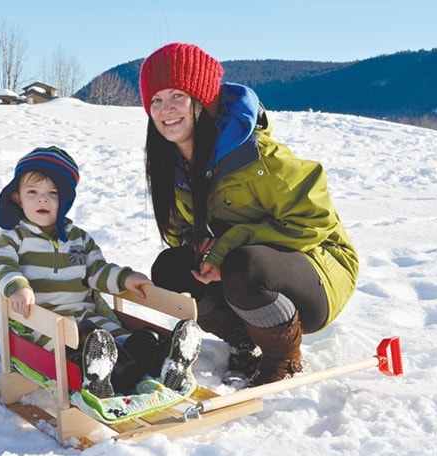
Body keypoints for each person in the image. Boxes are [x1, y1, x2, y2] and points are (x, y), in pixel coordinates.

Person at [138, 43, 358, 386]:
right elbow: (180, 233)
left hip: (318, 270)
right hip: (245, 267)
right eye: (156, 100)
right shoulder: (173, 164)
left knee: (243, 266)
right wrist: (203, 248)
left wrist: (227, 246)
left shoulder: (258, 158)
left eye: (177, 95)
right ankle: (244, 342)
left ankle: (284, 357)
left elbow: (315, 221)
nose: (166, 109)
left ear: (203, 100)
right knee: (172, 267)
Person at [0, 146, 201, 398]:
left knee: (125, 338)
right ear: (17, 198)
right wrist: (17, 287)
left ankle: (162, 362)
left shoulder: (79, 239)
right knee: (86, 342)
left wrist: (125, 278)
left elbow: (97, 271)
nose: (42, 199)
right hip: (41, 323)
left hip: (85, 315)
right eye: (32, 192)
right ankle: (100, 376)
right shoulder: (14, 236)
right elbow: (0, 265)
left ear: (65, 199)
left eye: (52, 193)